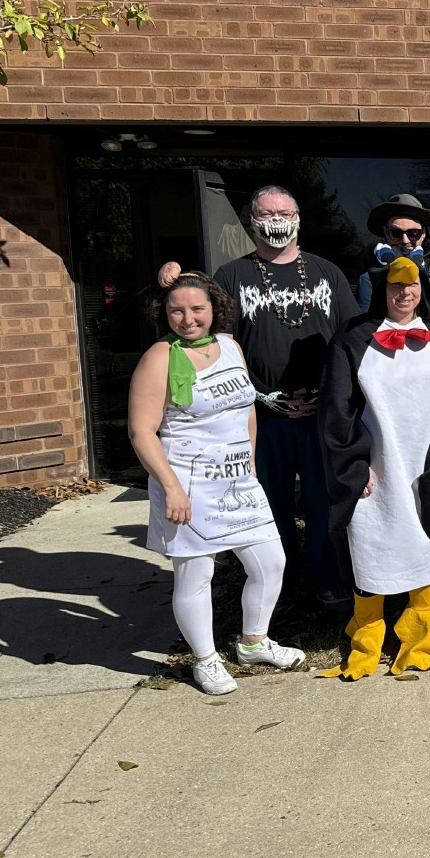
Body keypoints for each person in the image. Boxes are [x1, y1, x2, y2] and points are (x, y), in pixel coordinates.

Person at [165, 185, 360, 615]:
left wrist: (333, 395)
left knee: (323, 501)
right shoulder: (231, 276)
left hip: (320, 416)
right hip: (260, 418)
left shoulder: (326, 272)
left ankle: (328, 580)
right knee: (267, 505)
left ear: (298, 218)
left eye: (285, 212)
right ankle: (280, 585)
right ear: (252, 221)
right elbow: (216, 345)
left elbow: (351, 340)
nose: (277, 221)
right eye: (268, 214)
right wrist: (260, 396)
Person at [127, 272, 304, 695]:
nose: (188, 319)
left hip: (239, 478)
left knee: (270, 562)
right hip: (187, 484)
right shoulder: (159, 357)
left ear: (214, 309)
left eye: (197, 309)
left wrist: (252, 464)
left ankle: (253, 642)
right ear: (163, 313)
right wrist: (170, 487)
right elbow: (141, 432)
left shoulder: (230, 346)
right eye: (177, 310)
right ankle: (205, 659)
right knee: (196, 574)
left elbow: (247, 409)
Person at [320, 257, 430, 678]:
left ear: (423, 288)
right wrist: (352, 466)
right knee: (371, 546)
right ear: (382, 290)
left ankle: (424, 634)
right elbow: (336, 410)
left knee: (424, 542)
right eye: (395, 287)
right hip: (376, 467)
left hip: (428, 463)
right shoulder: (353, 339)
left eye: (412, 285)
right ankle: (367, 639)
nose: (404, 294)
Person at [355, 192, 430, 326]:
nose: (405, 240)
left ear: (423, 234)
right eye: (396, 233)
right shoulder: (370, 280)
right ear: (386, 233)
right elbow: (365, 329)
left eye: (413, 233)